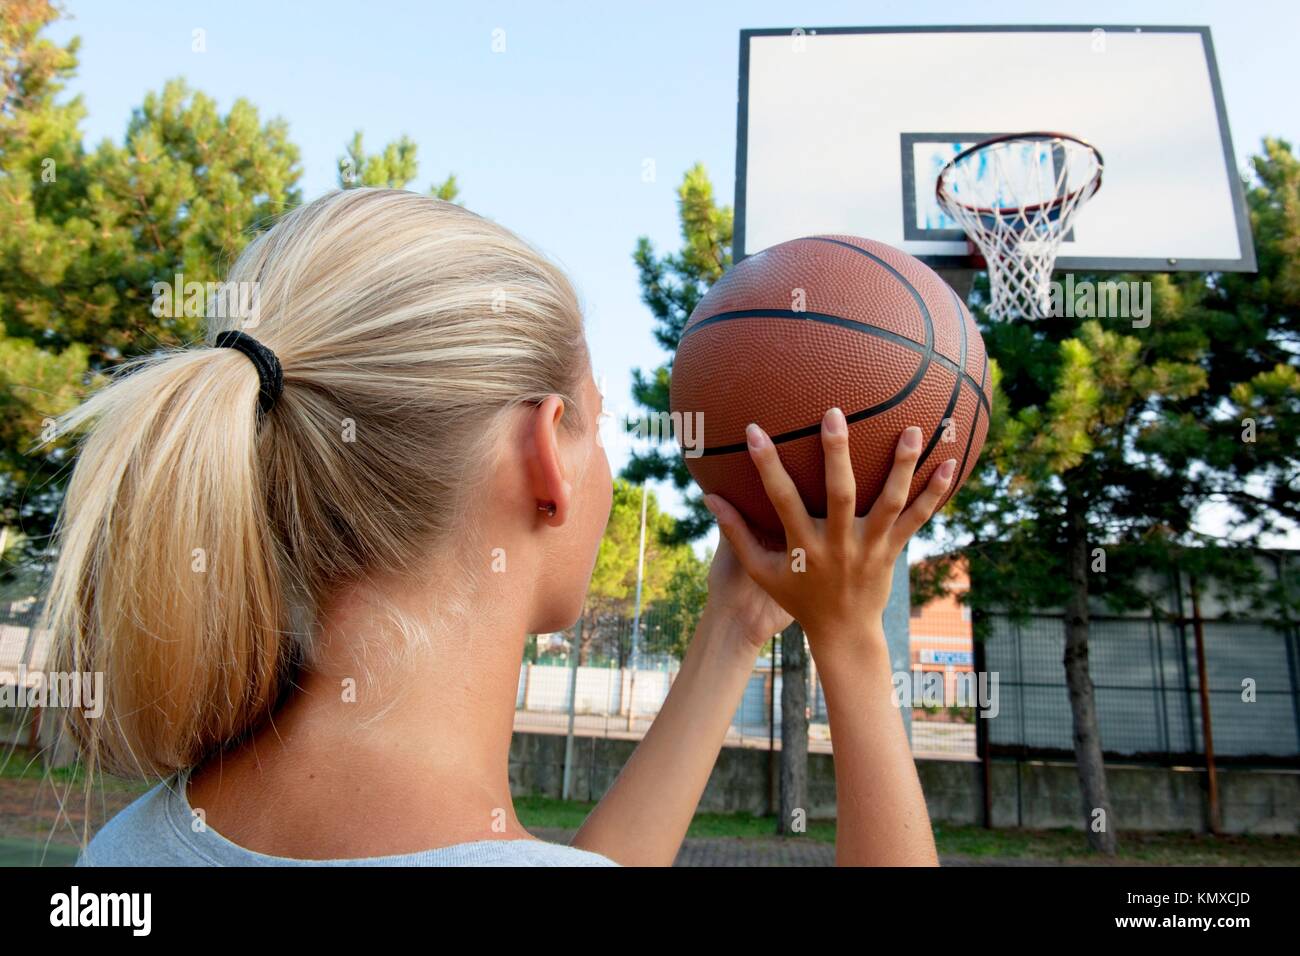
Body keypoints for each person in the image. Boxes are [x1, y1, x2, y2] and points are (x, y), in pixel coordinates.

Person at [52, 188, 950, 866]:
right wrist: (854, 645)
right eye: (591, 426)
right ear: (544, 461)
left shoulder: (129, 851)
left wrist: (733, 630)